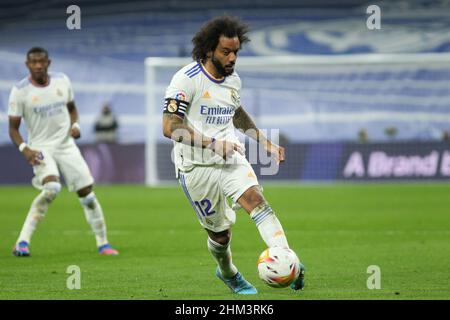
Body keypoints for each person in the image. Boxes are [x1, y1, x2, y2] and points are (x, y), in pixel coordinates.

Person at [162, 16, 305, 294]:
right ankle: (228, 272)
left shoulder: (233, 81)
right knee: (220, 234)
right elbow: (170, 127)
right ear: (208, 51)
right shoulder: (185, 80)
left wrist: (265, 142)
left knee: (256, 200)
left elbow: (236, 113)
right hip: (195, 168)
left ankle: (288, 263)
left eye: (236, 51)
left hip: (230, 158)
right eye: (225, 52)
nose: (232, 58)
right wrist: (212, 144)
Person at [8, 47, 119, 257]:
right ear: (27, 65)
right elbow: (13, 128)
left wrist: (75, 125)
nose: (38, 65)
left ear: (49, 63)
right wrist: (25, 149)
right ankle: (22, 242)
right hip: (41, 147)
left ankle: (103, 243)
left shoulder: (62, 81)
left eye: (42, 61)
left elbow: (72, 109)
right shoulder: (20, 91)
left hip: (66, 145)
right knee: (51, 187)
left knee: (87, 194)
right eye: (34, 62)